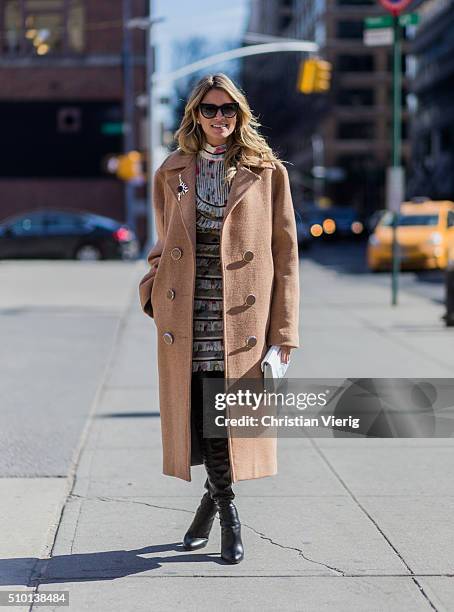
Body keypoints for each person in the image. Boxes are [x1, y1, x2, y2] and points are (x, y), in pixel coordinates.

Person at [139, 73, 300, 564]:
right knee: (206, 417)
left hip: (242, 320)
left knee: (222, 419)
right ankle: (217, 508)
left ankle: (222, 512)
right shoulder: (173, 172)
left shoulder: (266, 170)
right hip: (187, 312)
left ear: (240, 114)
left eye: (227, 109)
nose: (219, 118)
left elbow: (286, 253)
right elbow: (163, 243)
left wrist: (285, 330)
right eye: (209, 110)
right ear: (195, 115)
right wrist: (150, 291)